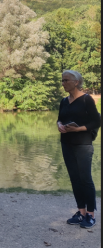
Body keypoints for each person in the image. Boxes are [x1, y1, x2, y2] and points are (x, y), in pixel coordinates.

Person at [57, 70, 100, 229]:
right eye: (62, 80)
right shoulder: (63, 101)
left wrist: (79, 128)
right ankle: (81, 212)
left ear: (76, 82)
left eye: (66, 80)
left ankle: (90, 214)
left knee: (85, 179)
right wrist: (60, 125)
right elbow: (60, 119)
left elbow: (96, 121)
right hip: (66, 143)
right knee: (75, 179)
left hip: (83, 144)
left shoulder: (86, 100)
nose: (63, 83)